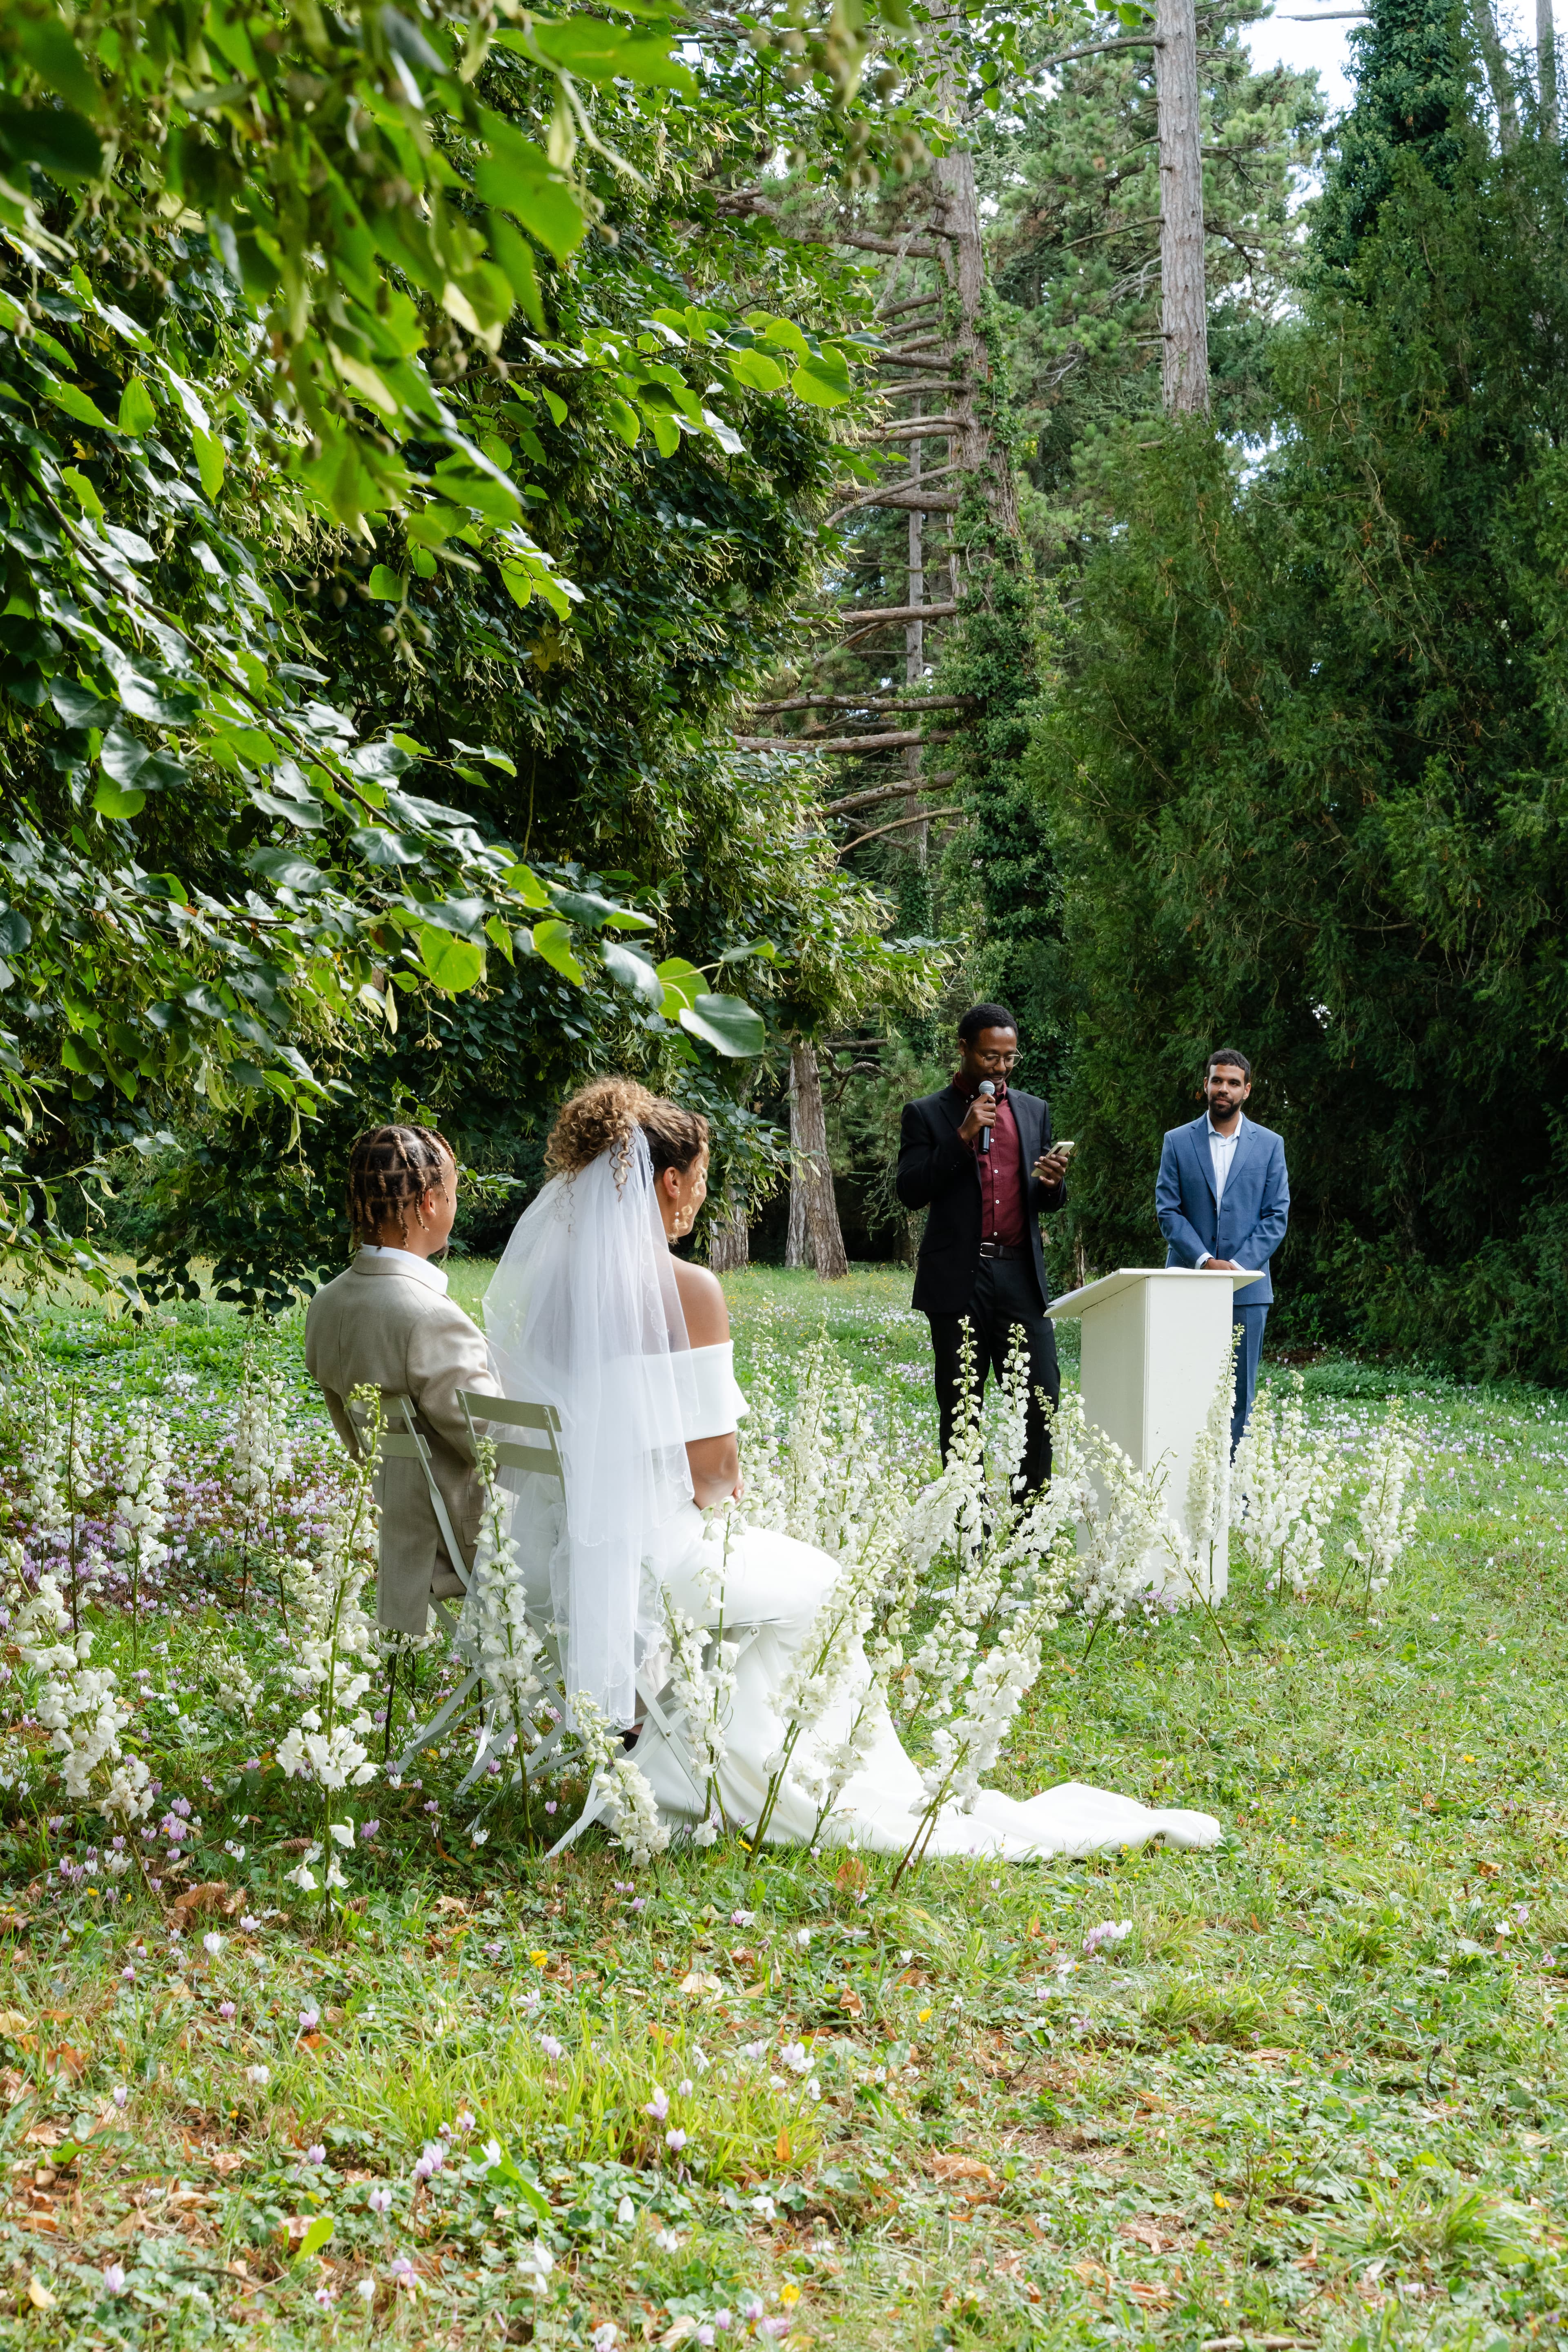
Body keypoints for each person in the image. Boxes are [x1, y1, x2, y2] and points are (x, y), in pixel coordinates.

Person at [484, 1077, 1220, 1862]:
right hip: (662, 1558)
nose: (700, 1195)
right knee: (826, 1587)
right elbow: (714, 1473)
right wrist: (725, 1495)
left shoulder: (561, 1292)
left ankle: (711, 1756)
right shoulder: (690, 1290)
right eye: (701, 1178)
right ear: (668, 1183)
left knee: (800, 1583)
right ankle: (754, 1778)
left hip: (570, 1555)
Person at [305, 1125, 495, 1635]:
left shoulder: (326, 1305)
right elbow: (499, 1443)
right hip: (466, 1539)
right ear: (431, 1203)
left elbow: (356, 1438)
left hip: (399, 1524)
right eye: (453, 1195)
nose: (455, 1206)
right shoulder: (428, 1317)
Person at [894, 1004, 1071, 1490]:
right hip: (957, 1279)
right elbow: (910, 1190)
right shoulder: (927, 1114)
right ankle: (970, 1529)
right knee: (961, 1405)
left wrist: (1053, 1185)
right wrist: (963, 1136)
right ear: (965, 1049)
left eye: (1010, 1058)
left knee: (1042, 1398)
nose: (1001, 1068)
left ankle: (1028, 1527)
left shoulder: (1034, 1111)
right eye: (991, 1056)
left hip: (1020, 1276)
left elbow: (1044, 1198)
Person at [1155, 1049, 1290, 1453]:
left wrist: (1236, 1267)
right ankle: (1181, 1494)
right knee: (1182, 1391)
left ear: (1246, 1090)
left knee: (1240, 1400)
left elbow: (1276, 1216)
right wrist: (1203, 1262)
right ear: (1206, 1085)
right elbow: (1169, 1210)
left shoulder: (1269, 1145)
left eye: (1233, 1083)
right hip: (1185, 1285)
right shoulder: (1177, 1142)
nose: (1224, 1089)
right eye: (1217, 1081)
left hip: (1247, 1292)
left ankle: (1233, 1498)